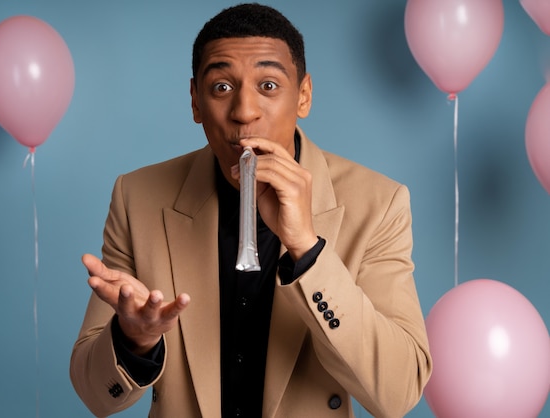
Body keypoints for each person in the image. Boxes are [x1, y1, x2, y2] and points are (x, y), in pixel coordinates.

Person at [70, 3, 432, 417]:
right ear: (194, 102)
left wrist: (308, 252)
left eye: (269, 86)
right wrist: (133, 341)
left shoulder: (378, 204)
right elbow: (95, 395)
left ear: (304, 95)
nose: (244, 111)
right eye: (222, 87)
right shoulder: (138, 197)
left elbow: (398, 394)